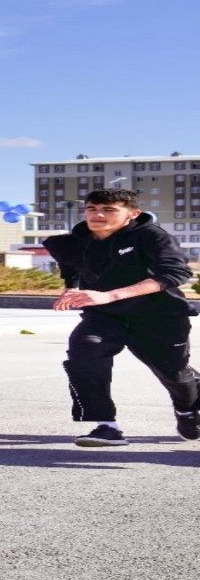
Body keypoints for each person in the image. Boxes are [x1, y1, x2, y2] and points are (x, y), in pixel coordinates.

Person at [44, 188, 200, 447]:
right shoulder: (74, 241)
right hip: (105, 317)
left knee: (174, 374)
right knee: (84, 351)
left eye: (109, 210)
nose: (98, 215)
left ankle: (187, 408)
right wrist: (72, 287)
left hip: (159, 316)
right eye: (92, 209)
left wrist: (111, 295)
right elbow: (69, 264)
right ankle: (105, 425)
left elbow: (174, 274)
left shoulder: (150, 236)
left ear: (132, 213)